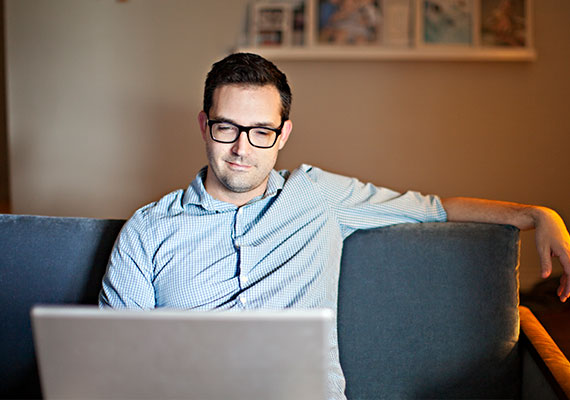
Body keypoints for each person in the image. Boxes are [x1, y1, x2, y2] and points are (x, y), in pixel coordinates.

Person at [99, 52, 570, 400]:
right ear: (205, 126)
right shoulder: (148, 231)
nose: (242, 149)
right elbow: (116, 368)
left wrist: (535, 215)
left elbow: (432, 208)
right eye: (227, 128)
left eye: (261, 132)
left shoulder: (318, 196)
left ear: (283, 134)